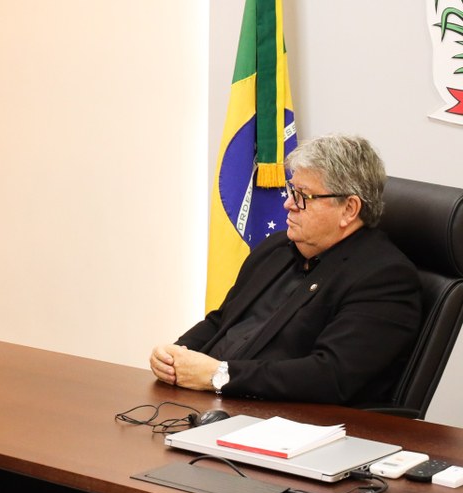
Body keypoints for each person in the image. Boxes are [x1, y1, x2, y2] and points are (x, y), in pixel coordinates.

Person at [149, 134, 421, 406]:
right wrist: (176, 355)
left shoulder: (384, 278)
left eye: (303, 196)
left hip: (284, 422)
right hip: (210, 402)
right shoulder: (277, 249)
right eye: (292, 191)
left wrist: (219, 375)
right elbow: (223, 321)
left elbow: (329, 376)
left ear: (349, 209)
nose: (288, 204)